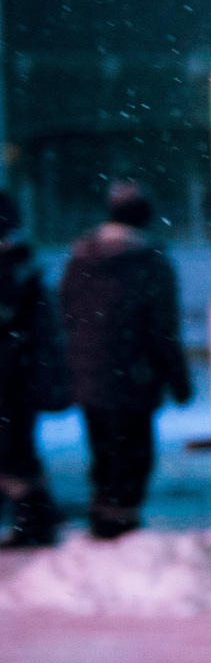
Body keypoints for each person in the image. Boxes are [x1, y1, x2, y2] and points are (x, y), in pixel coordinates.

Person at [59, 182, 193, 540]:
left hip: (89, 374)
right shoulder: (150, 261)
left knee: (103, 451)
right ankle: (123, 525)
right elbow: (163, 328)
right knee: (133, 454)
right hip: (134, 377)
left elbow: (66, 314)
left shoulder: (81, 257)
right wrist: (179, 382)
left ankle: (104, 519)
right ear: (144, 218)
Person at [0, 191, 71, 547]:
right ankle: (36, 520)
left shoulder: (12, 273)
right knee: (18, 453)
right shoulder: (21, 268)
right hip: (18, 380)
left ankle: (34, 523)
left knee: (13, 455)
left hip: (10, 382)